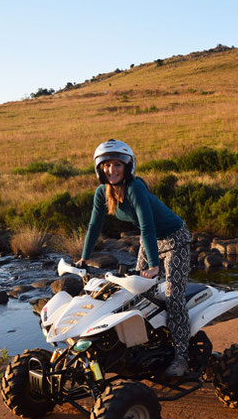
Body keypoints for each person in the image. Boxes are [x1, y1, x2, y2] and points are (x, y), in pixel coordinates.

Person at [79, 139, 192, 377]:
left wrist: (153, 266)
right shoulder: (102, 192)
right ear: (100, 168)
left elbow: (147, 227)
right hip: (149, 240)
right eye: (107, 165)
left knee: (173, 295)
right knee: (135, 292)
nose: (112, 170)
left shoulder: (135, 188)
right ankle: (153, 344)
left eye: (117, 164)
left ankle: (182, 356)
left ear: (127, 166)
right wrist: (83, 258)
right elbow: (93, 225)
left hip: (174, 239)